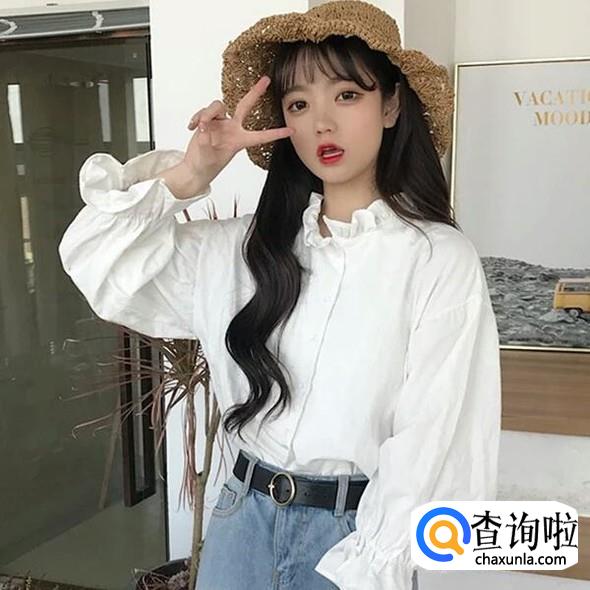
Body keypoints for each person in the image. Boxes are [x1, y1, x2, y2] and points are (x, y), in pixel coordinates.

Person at [58, 1, 502, 589]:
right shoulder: (241, 251)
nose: (322, 124)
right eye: (299, 104)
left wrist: (370, 563)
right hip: (240, 522)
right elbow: (98, 263)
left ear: (391, 104)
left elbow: (434, 437)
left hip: (353, 537)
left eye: (347, 95)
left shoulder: (435, 259)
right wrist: (190, 175)